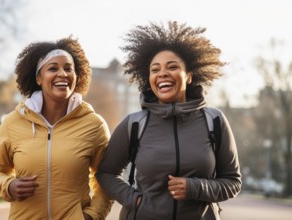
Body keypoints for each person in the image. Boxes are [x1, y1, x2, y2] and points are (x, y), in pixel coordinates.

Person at [96, 21, 242, 220]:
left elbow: (233, 182)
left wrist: (195, 187)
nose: (162, 73)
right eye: (155, 70)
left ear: (189, 76)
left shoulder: (214, 121)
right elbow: (106, 173)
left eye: (172, 67)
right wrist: (135, 201)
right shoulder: (134, 124)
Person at [0, 36, 113, 220]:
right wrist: (8, 186)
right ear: (38, 78)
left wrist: (92, 216)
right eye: (53, 68)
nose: (62, 73)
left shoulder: (94, 125)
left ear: (77, 76)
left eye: (69, 68)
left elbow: (107, 178)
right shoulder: (13, 122)